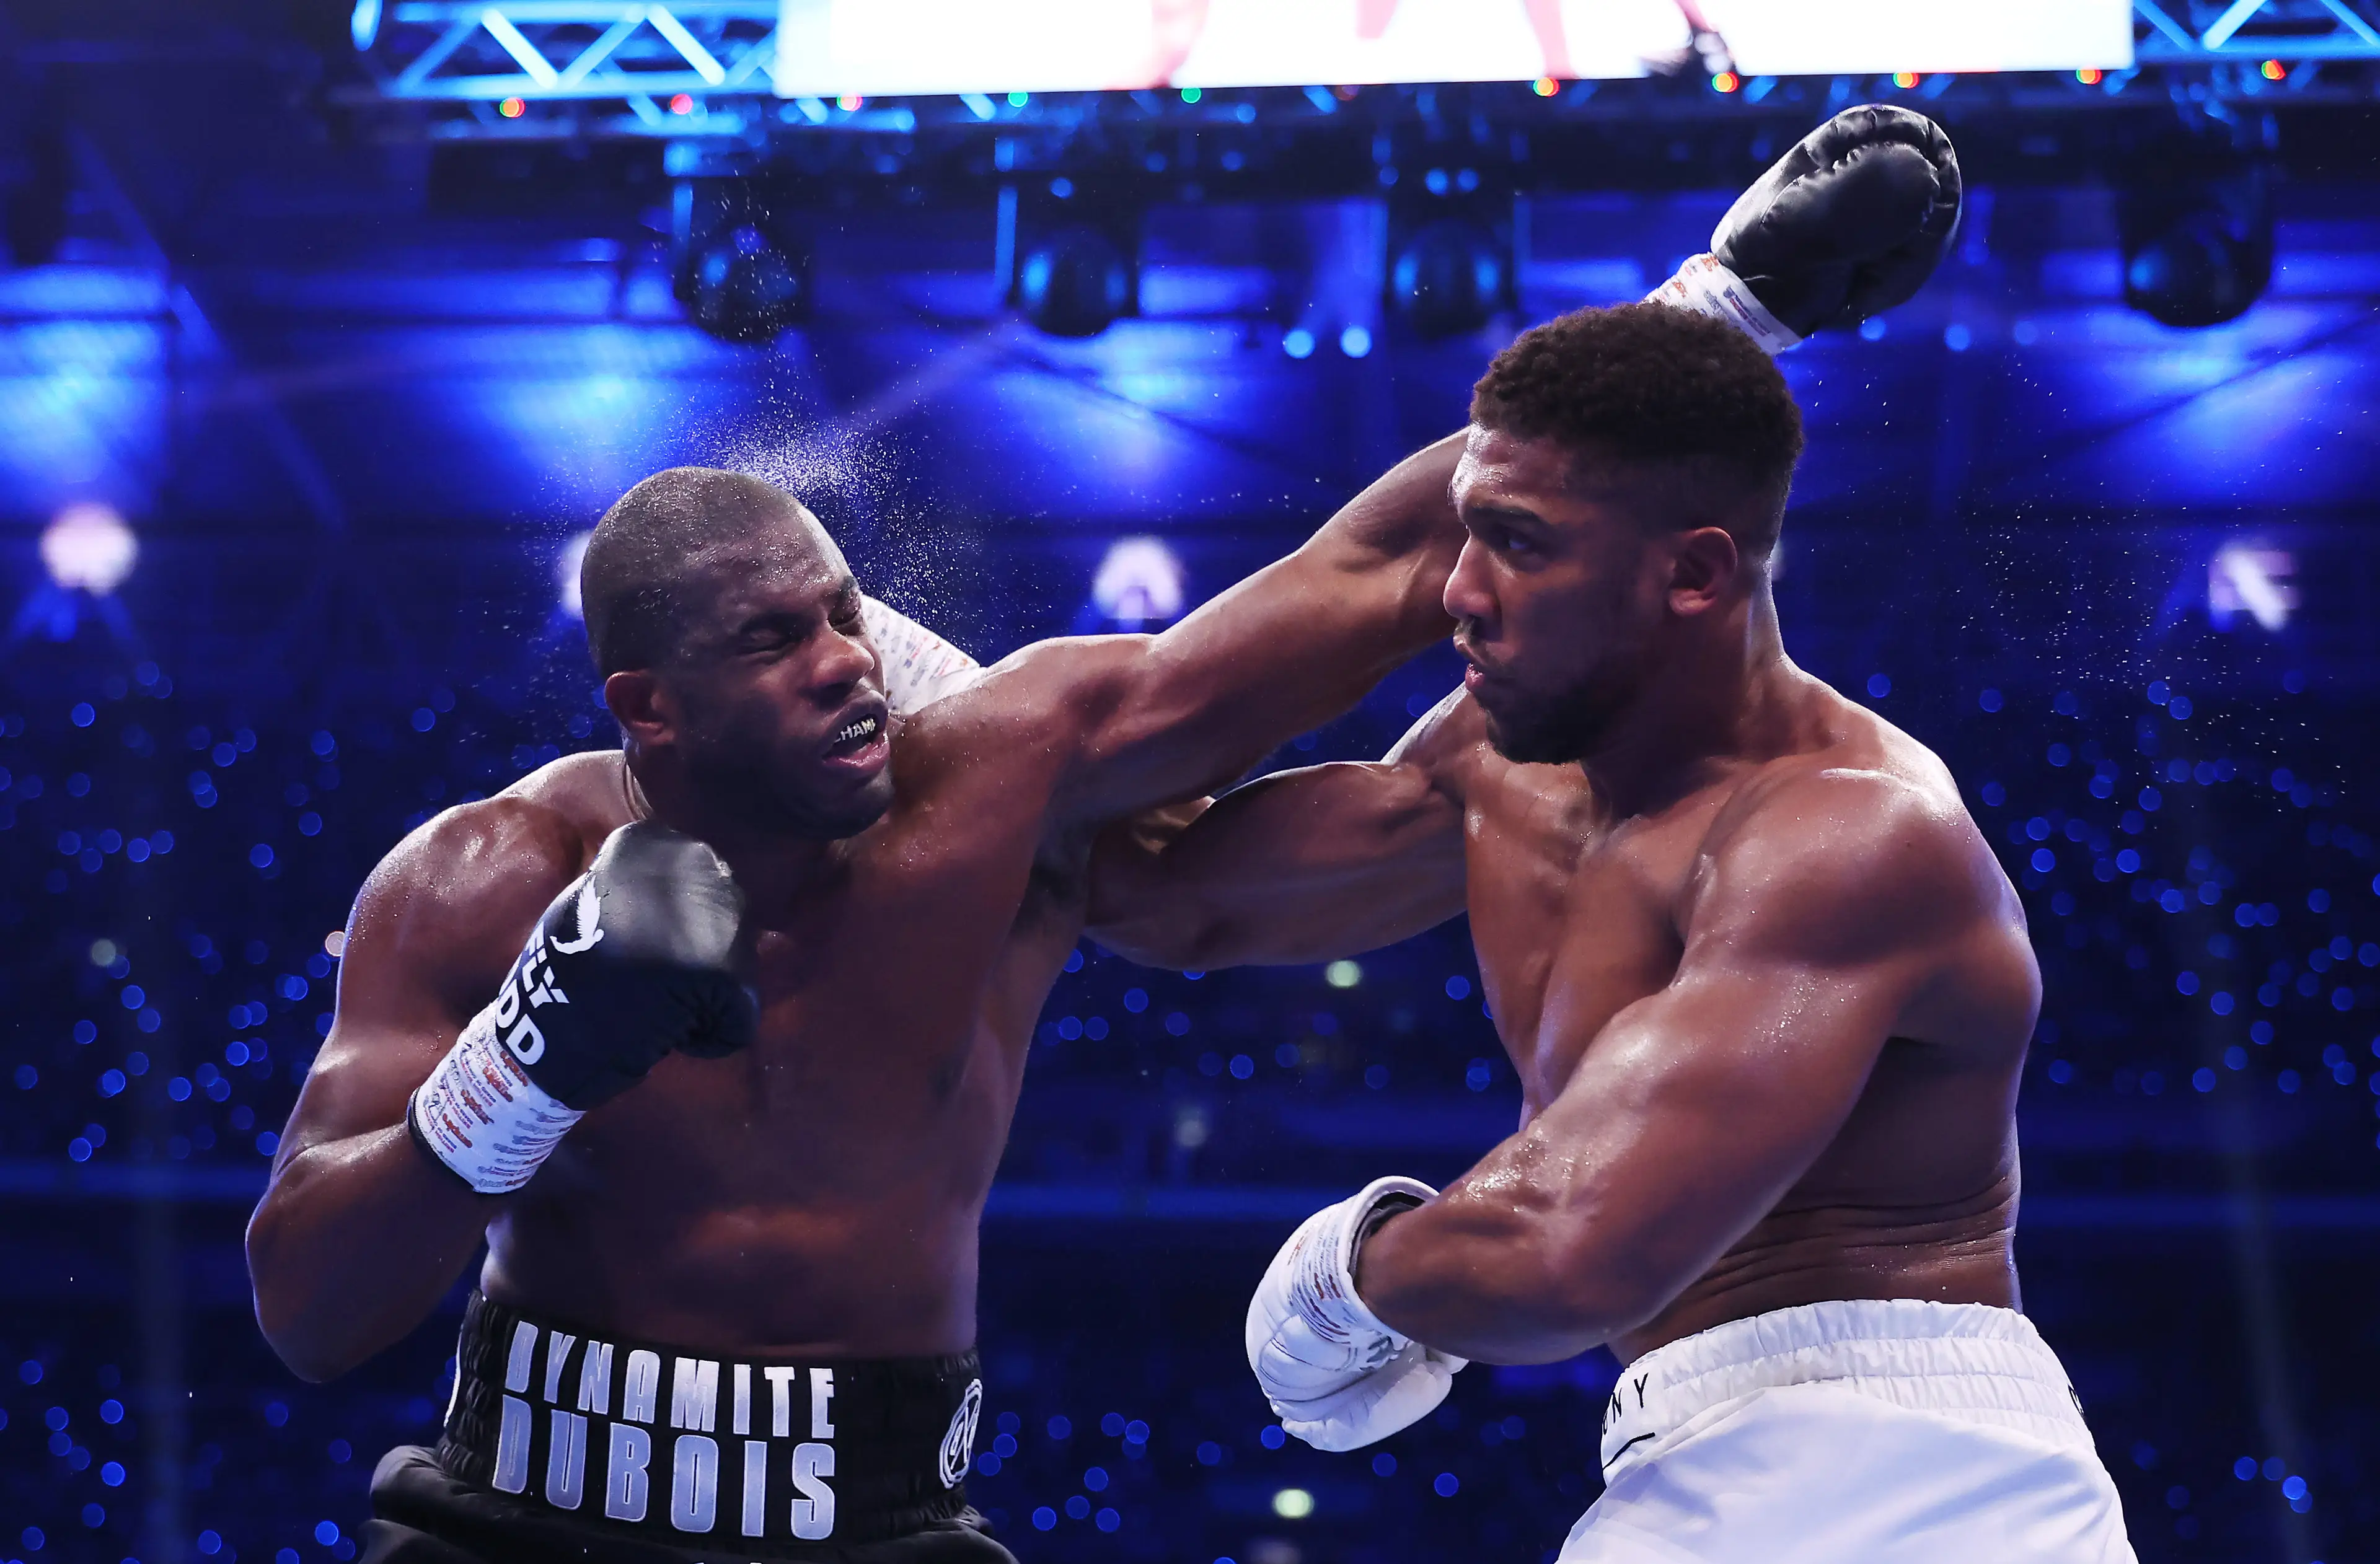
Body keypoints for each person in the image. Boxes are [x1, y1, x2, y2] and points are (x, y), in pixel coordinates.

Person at [245, 105, 1956, 1564]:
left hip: (885, 1519)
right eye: (779, 643)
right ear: (650, 708)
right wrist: (521, 1072)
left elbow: (1358, 581)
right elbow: (312, 1307)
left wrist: (1716, 314)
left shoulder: (996, 792)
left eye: (851, 618)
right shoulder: (481, 877)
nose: (846, 661)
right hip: (520, 1517)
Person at [1088, 263, 2140, 1564]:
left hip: (1911, 1462)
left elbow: (1563, 1254)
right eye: (1467, 527)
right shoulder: (1500, 766)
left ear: (1693, 574)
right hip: (1694, 1442)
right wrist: (921, 736)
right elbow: (1153, 891)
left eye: (1519, 543)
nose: (1457, 589)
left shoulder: (1851, 833)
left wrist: (1355, 1271)